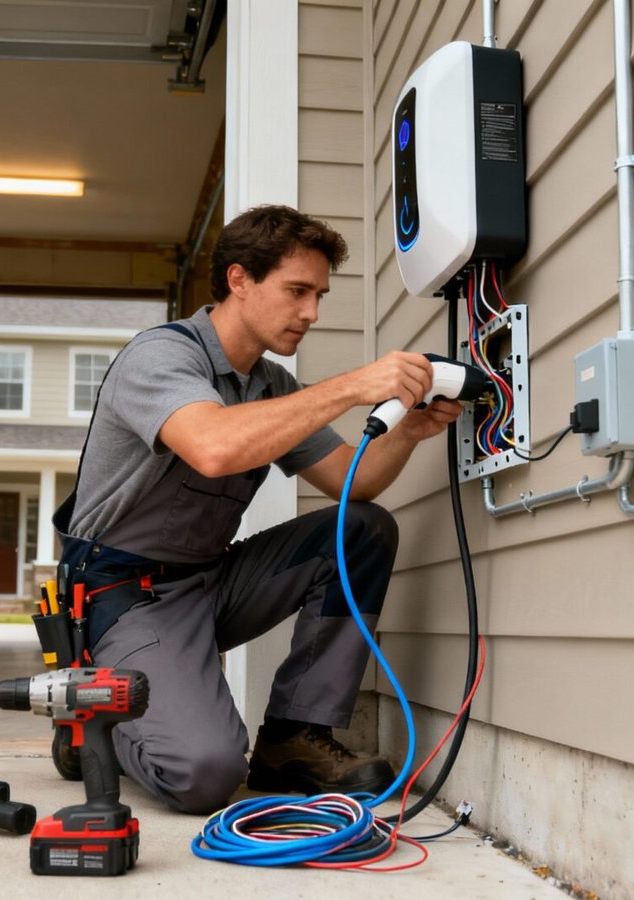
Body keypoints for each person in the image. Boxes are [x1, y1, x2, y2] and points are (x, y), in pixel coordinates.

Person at [55, 204, 461, 814]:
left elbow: (357, 483)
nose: (312, 313)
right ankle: (89, 722)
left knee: (360, 530)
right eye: (297, 291)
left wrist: (408, 431)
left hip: (210, 583)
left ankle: (291, 739)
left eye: (320, 295)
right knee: (205, 774)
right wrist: (355, 385)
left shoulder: (270, 385)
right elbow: (215, 447)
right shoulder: (159, 357)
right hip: (124, 597)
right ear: (239, 280)